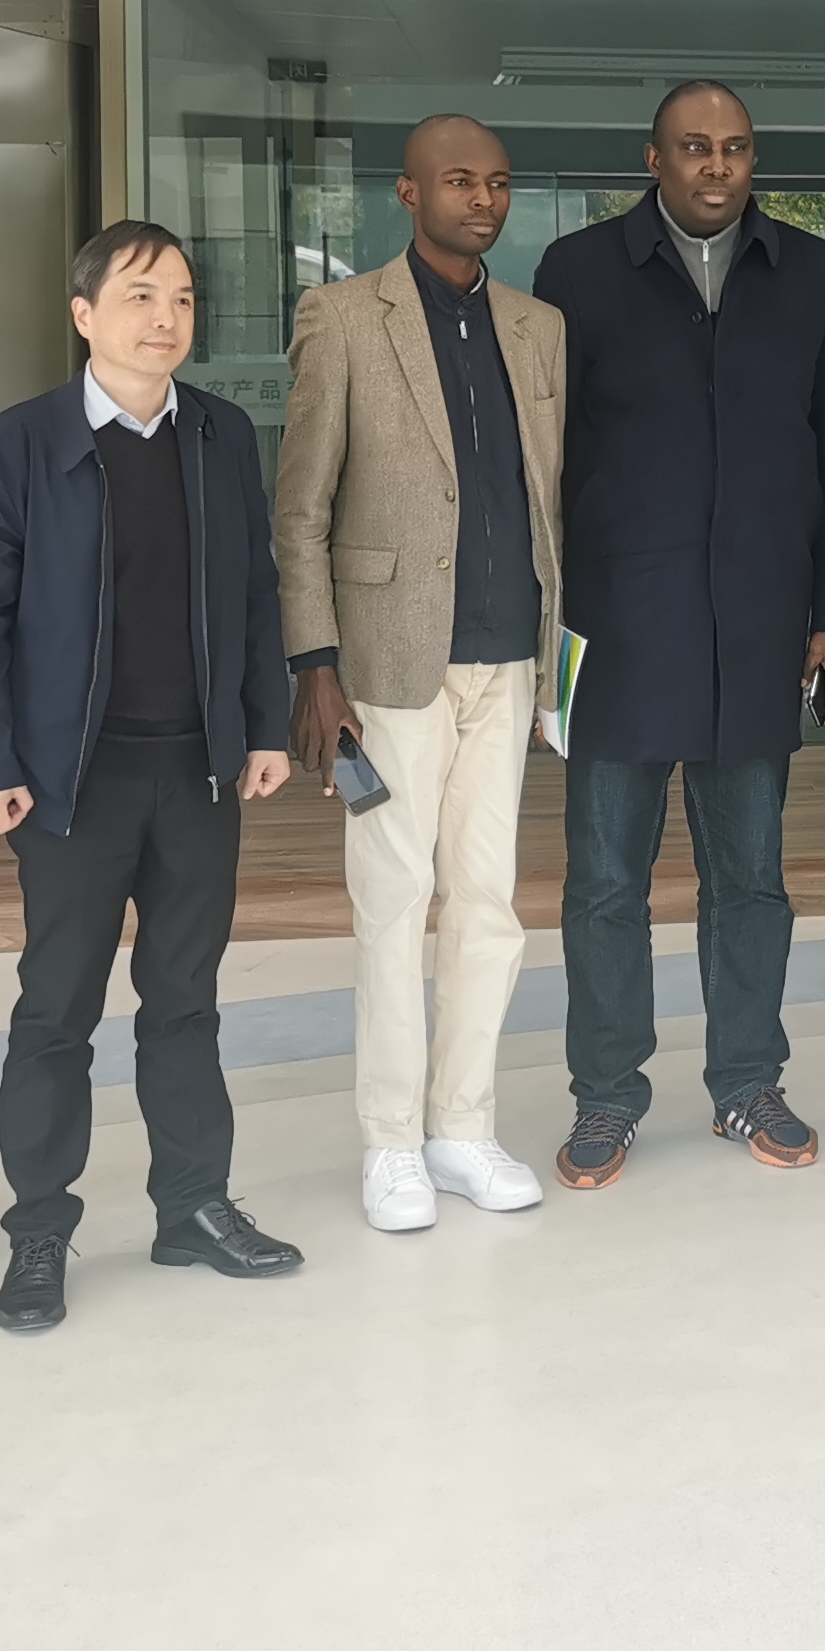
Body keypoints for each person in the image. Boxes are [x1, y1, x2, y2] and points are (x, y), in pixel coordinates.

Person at [0, 224, 298, 1332]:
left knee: (185, 1002)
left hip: (196, 774)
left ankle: (192, 1206)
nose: (165, 318)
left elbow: (255, 591)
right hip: (70, 784)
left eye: (182, 298)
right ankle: (39, 1230)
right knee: (56, 1010)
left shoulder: (222, 435)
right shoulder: (19, 445)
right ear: (83, 313)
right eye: (141, 296)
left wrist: (264, 726)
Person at [532, 82, 825, 1188]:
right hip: (613, 629)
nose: (716, 166)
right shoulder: (578, 273)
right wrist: (546, 630)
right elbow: (549, 461)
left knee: (752, 879)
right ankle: (606, 1096)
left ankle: (748, 1083)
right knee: (604, 884)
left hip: (759, 627)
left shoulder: (814, 274)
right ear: (654, 158)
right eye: (693, 147)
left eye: (735, 148)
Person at [276, 115, 564, 1232]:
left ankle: (462, 1127)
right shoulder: (344, 316)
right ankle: (391, 1141)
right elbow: (300, 508)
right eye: (458, 181)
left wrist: (557, 671)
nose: (482, 200)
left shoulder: (537, 328)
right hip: (390, 662)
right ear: (408, 193)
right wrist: (315, 662)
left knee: (489, 905)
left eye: (498, 182)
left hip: (510, 657)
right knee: (393, 903)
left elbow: (547, 502)